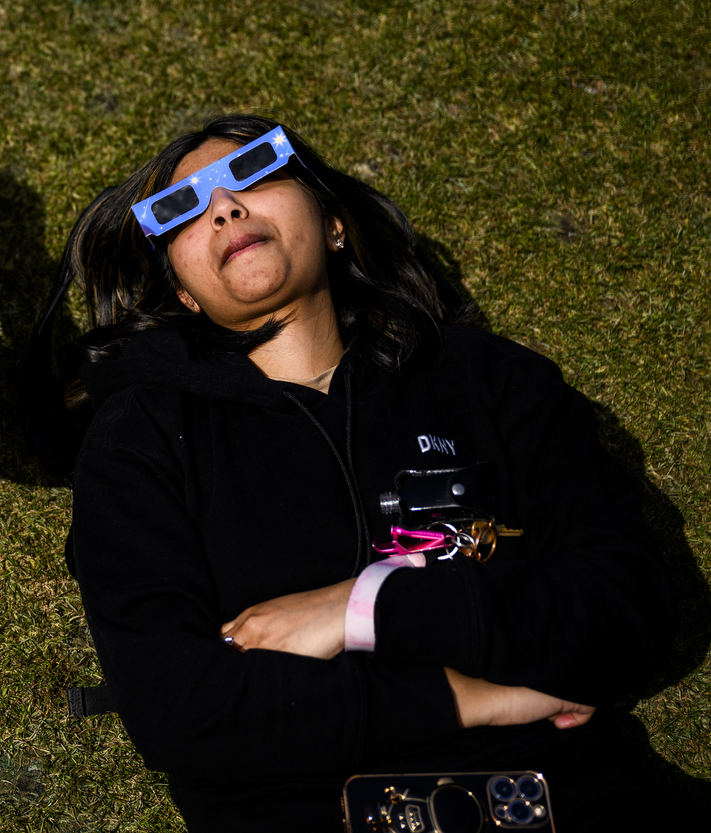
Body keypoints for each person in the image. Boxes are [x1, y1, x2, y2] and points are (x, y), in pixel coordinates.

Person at [51, 115, 677, 830]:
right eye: (183, 209)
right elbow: (179, 709)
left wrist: (358, 608)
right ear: (184, 294)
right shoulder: (141, 437)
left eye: (255, 173)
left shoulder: (491, 381)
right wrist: (476, 697)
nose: (223, 206)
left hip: (565, 799)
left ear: (336, 222)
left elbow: (631, 608)